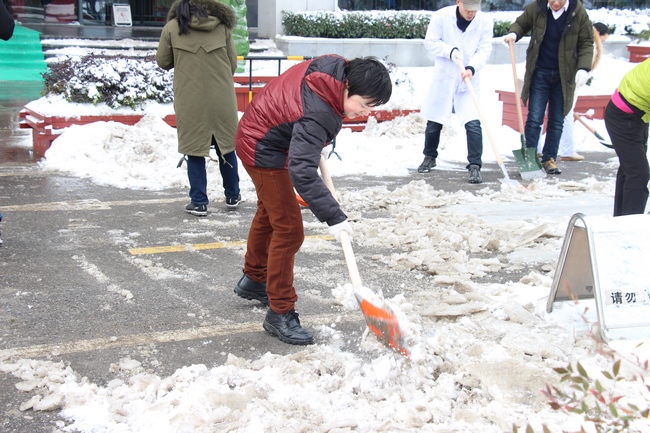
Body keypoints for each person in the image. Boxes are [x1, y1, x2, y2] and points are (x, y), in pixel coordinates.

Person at [234, 55, 392, 345]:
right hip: (262, 145)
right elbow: (302, 171)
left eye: (372, 107)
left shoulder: (334, 69)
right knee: (289, 228)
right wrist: (334, 216)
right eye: (364, 104)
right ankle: (279, 313)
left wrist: (309, 137)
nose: (365, 113)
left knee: (270, 212)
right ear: (347, 86)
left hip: (266, 132)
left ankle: (254, 279)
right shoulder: (320, 112)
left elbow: (301, 117)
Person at [156, 0, 241, 216]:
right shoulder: (222, 27)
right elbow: (232, 64)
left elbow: (163, 61)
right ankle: (232, 195)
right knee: (226, 145)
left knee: (193, 149)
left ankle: (199, 201)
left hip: (190, 98)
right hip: (222, 98)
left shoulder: (173, 28)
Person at [504, 0, 594, 175]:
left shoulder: (578, 12)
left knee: (556, 120)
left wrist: (584, 68)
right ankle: (529, 160)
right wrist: (514, 33)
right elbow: (522, 23)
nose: (555, 2)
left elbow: (586, 42)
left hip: (564, 75)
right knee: (534, 118)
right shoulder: (537, 8)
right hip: (540, 73)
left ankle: (549, 159)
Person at [417, 0, 493, 184]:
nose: (472, 14)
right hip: (445, 76)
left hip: (468, 79)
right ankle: (429, 156)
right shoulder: (442, 17)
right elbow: (431, 42)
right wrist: (450, 51)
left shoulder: (485, 21)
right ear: (459, 2)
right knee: (435, 120)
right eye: (468, 9)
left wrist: (472, 67)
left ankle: (475, 165)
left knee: (473, 123)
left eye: (475, 10)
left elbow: (484, 50)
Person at [537, 22, 610, 162]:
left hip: (556, 77)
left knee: (543, 112)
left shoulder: (579, 35)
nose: (601, 43)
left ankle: (537, 148)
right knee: (564, 114)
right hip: (566, 80)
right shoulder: (588, 42)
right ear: (598, 34)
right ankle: (566, 149)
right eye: (603, 40)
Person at [604, 58, 650, 217]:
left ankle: (621, 222)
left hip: (638, 115)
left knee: (630, 169)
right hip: (623, 117)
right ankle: (630, 226)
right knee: (638, 172)